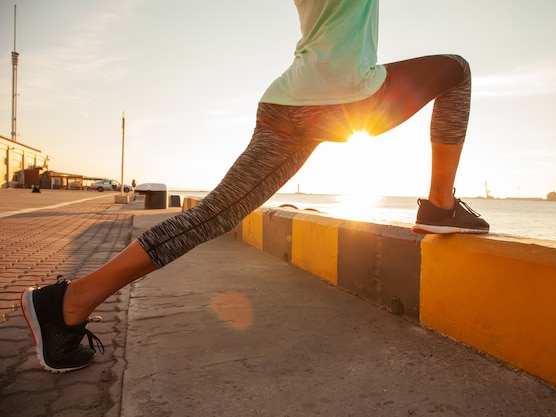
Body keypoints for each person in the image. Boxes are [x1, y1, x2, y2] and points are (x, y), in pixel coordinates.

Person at [21, 0, 489, 373]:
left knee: (211, 216)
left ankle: (69, 301)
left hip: (290, 102)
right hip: (346, 97)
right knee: (456, 70)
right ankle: (440, 206)